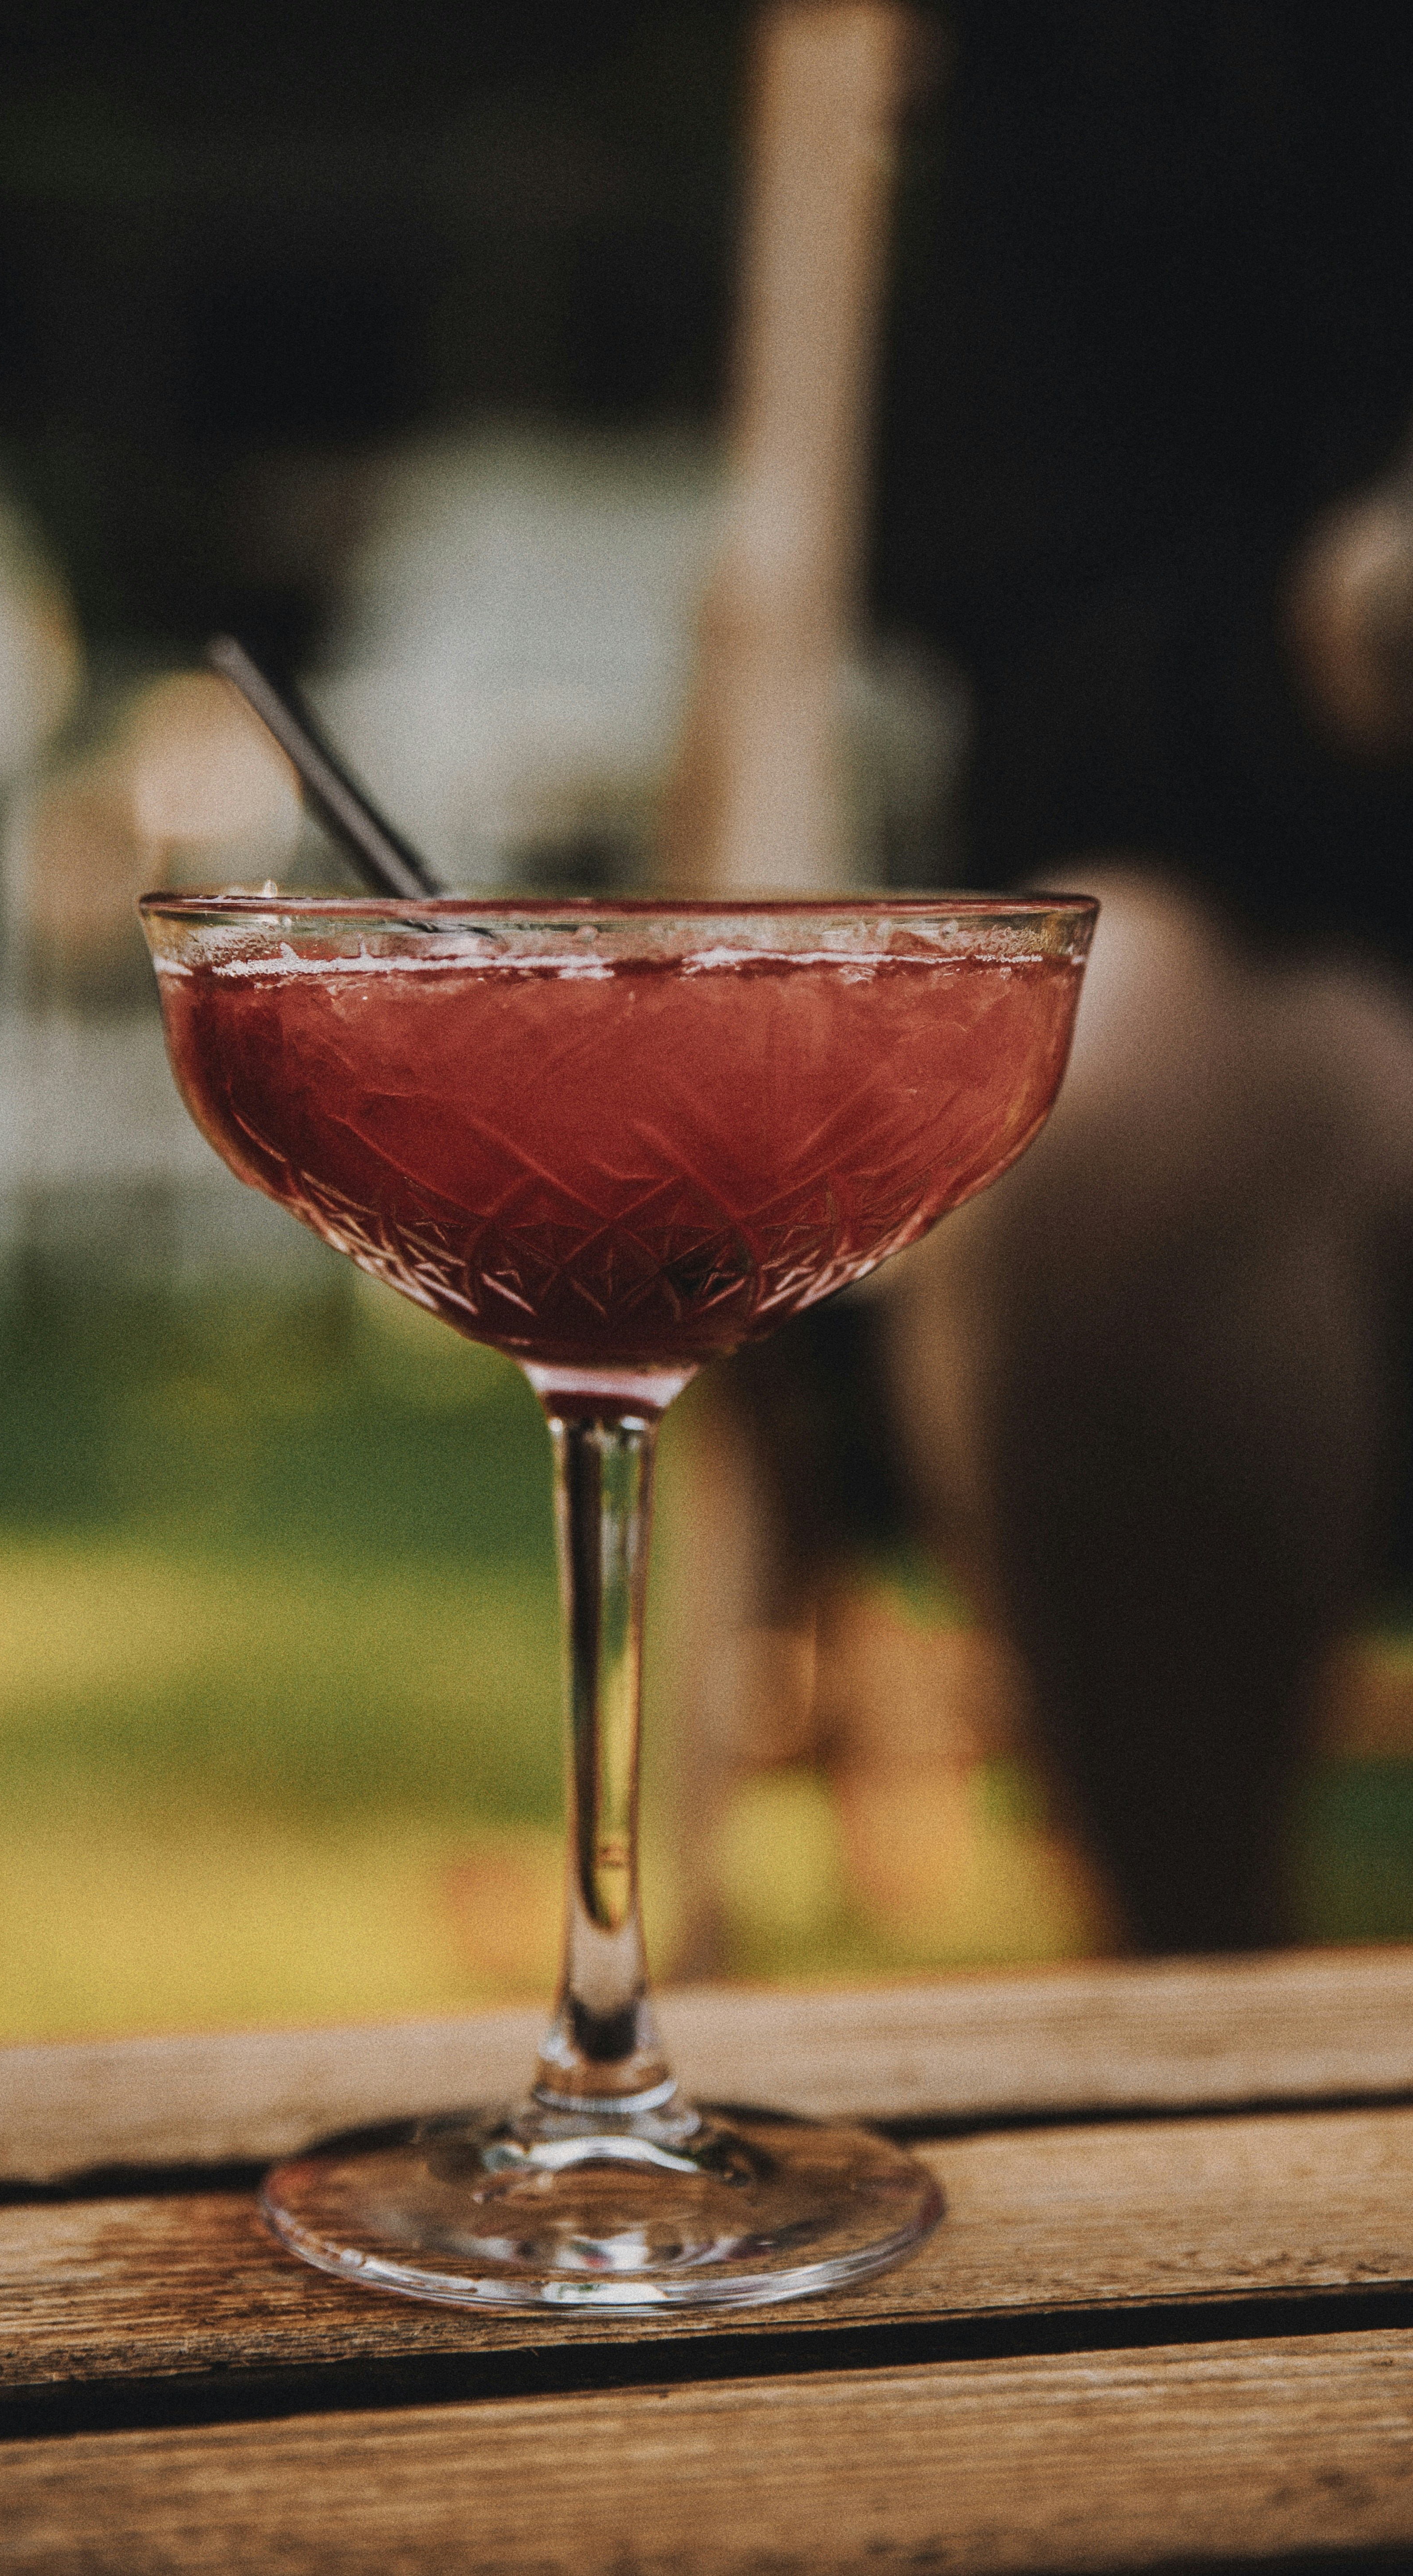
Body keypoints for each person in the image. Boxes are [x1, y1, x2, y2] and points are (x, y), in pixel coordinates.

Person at [750, 0, 1413, 1953]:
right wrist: (1349, 636)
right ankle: (1203, 2037)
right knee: (1108, 1074)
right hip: (1319, 974)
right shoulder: (1119, 66)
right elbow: (1038, 713)